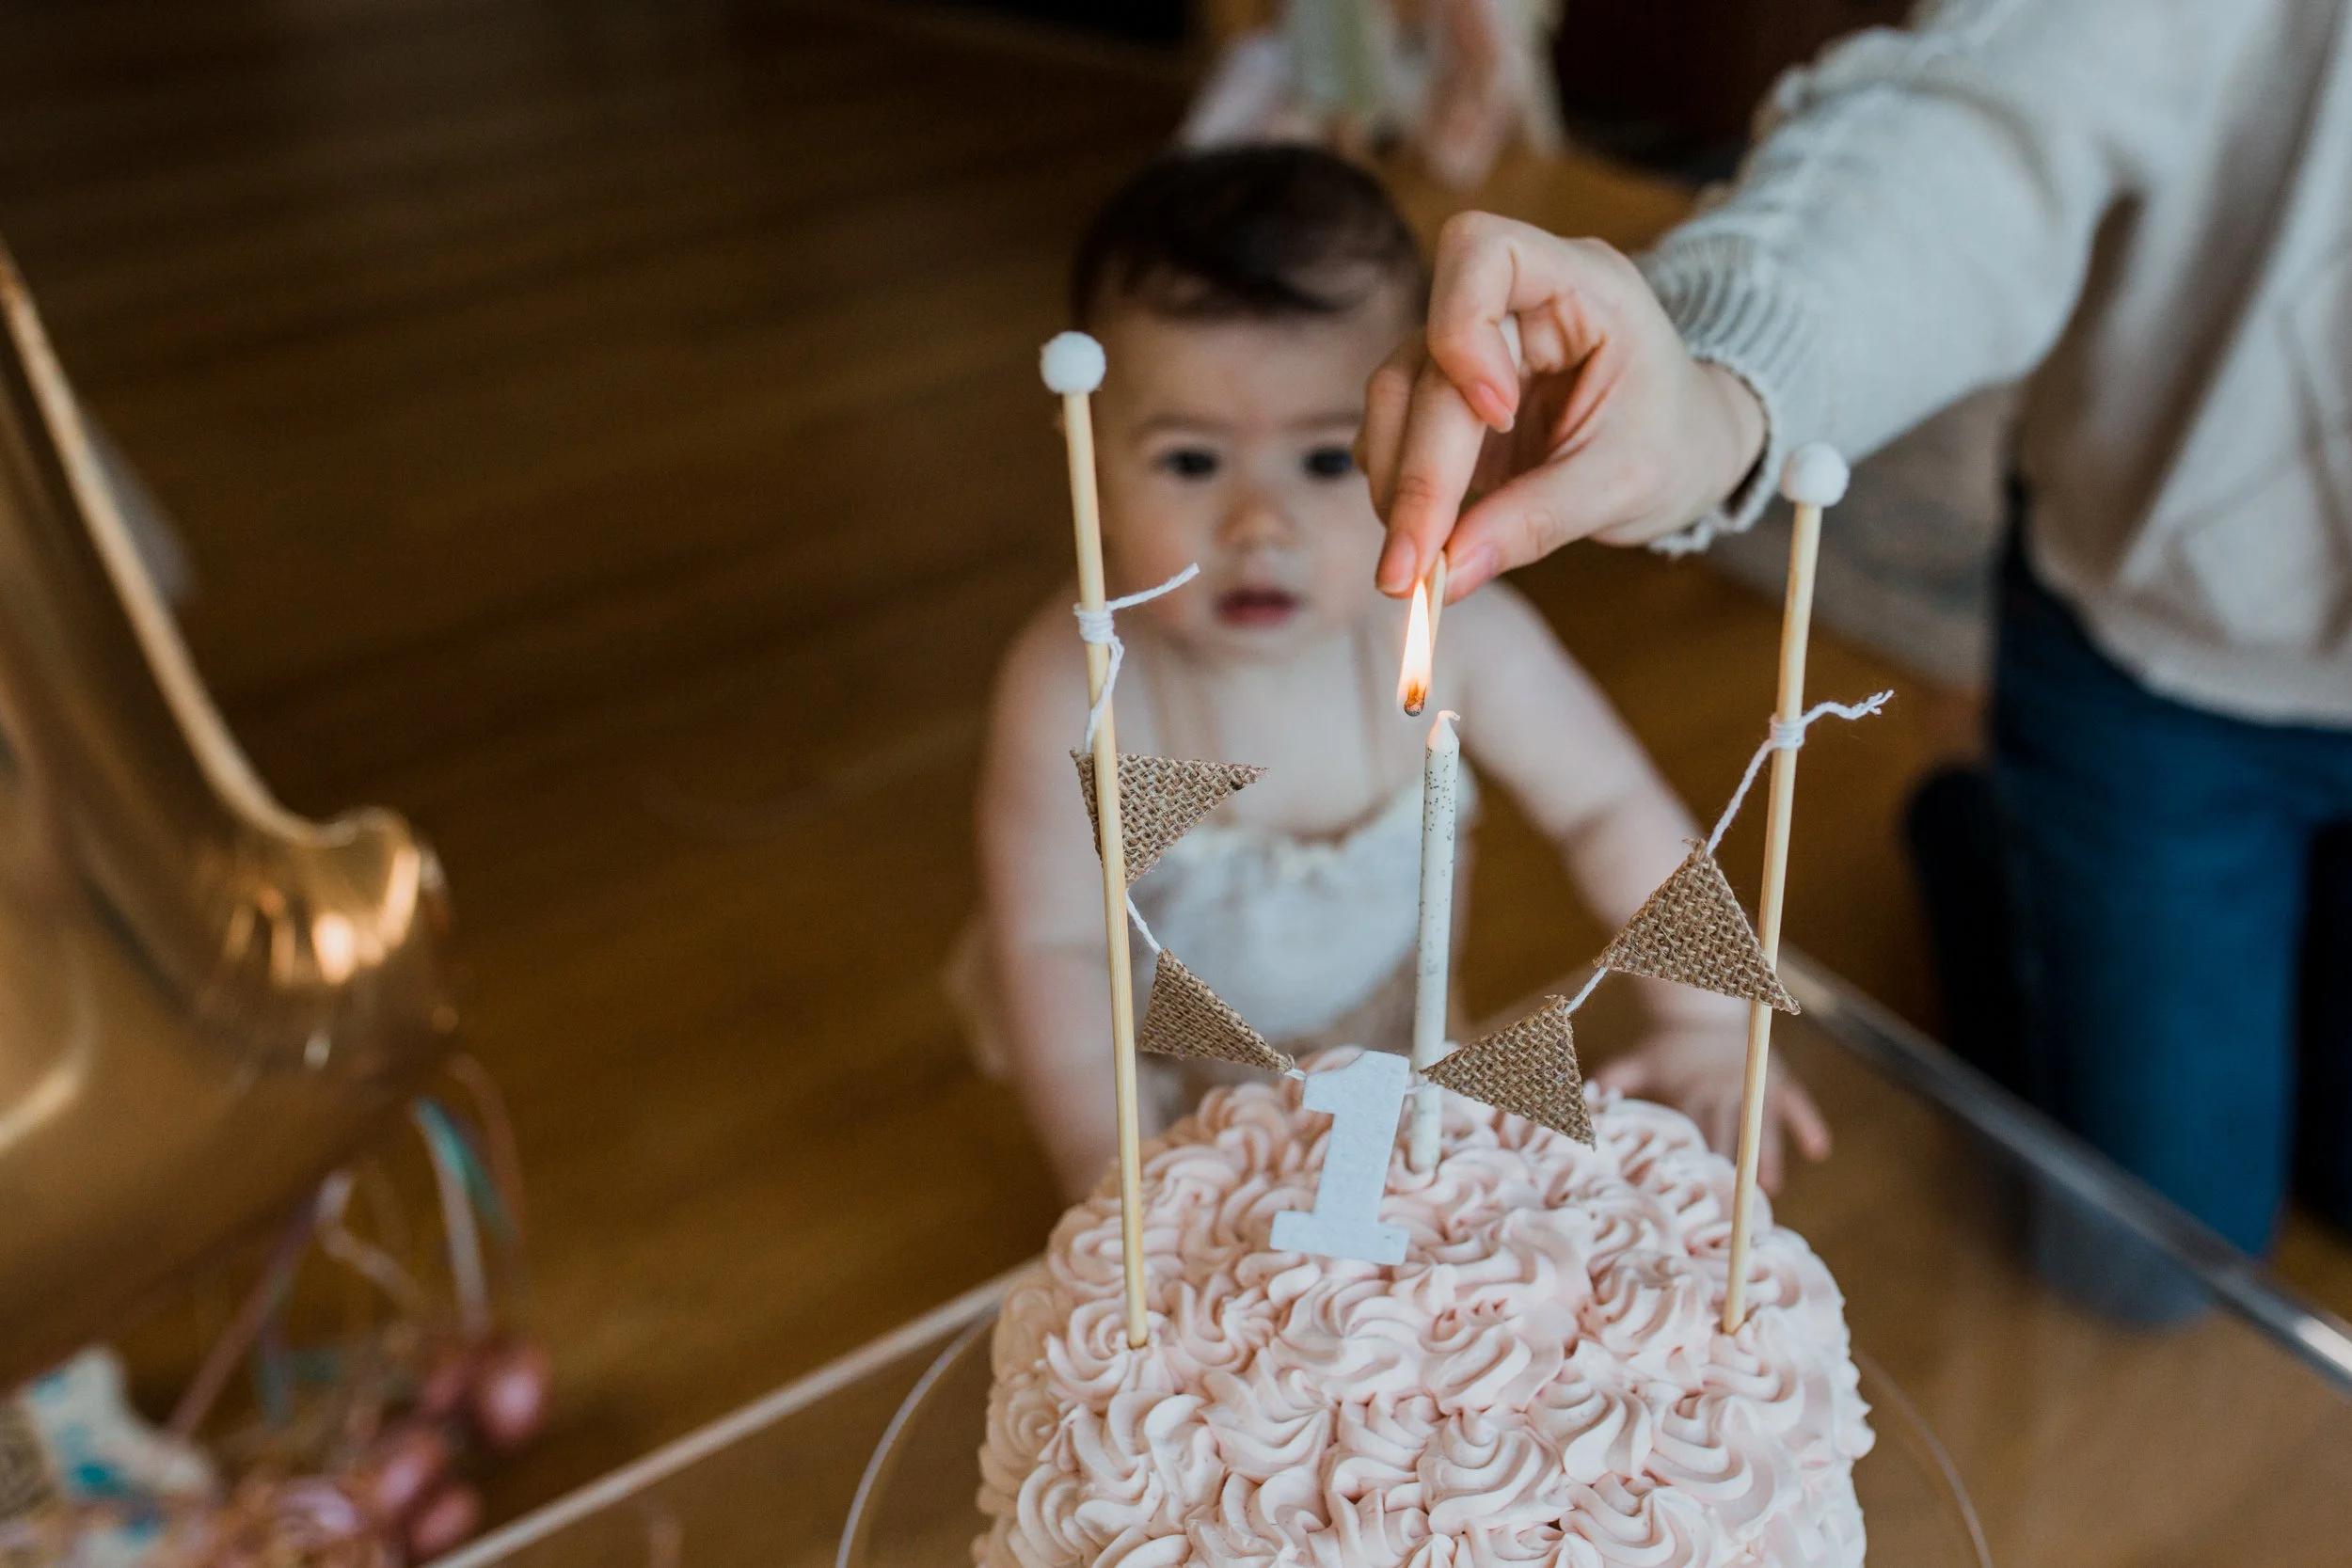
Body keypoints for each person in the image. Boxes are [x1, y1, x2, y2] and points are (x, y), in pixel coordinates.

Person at [1357, 0, 2352, 1311]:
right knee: (2151, 1272)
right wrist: (1717, 385)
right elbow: (1984, 126)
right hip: (2162, 662)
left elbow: (1615, 817)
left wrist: (1711, 1015)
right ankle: (1978, 826)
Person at [959, 146, 1826, 1200]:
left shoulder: (1459, 632)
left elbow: (1609, 807)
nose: (1256, 525)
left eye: (1326, 459)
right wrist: (1118, 1181)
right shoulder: (1073, 683)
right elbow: (1053, 949)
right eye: (1190, 460)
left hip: (1393, 1048)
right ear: (1084, 445)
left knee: (1384, 1258)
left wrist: (1703, 1021)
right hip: (1157, 1077)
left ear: (1411, 433)